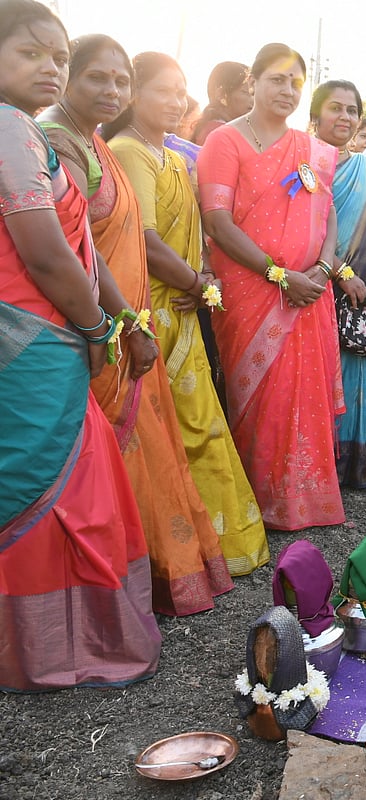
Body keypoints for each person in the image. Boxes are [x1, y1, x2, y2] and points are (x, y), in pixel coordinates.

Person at [41, 37, 234, 615]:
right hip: (90, 329)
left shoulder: (92, 141)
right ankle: (102, 596)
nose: (112, 90)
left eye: (120, 80)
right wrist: (119, 323)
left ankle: (140, 584)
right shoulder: (58, 141)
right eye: (98, 78)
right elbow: (72, 251)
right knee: (104, 465)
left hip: (125, 320)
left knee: (143, 457)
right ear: (68, 76)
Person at [0, 0, 161, 692]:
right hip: (30, 338)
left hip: (56, 333)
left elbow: (81, 245)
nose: (49, 67)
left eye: (57, 56)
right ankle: (41, 651)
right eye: (30, 52)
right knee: (38, 484)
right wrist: (99, 326)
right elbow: (43, 252)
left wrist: (119, 319)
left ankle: (66, 639)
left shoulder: (25, 132)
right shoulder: (8, 130)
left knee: (73, 482)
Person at [106, 51, 269, 576]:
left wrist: (204, 282)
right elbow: (146, 241)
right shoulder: (129, 151)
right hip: (152, 309)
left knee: (198, 427)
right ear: (133, 94)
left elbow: (192, 237)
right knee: (173, 434)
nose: (176, 101)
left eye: (181, 91)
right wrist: (199, 284)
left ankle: (213, 543)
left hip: (183, 304)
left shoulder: (173, 157)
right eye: (163, 90)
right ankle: (178, 554)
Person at [197, 42, 345, 530]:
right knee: (260, 398)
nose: (287, 90)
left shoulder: (311, 151)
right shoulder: (225, 141)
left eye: (295, 82)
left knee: (305, 395)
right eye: (277, 79)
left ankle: (308, 499)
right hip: (252, 291)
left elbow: (329, 215)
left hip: (310, 293)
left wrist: (322, 272)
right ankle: (260, 503)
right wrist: (278, 275)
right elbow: (217, 221)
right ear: (253, 83)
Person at [310, 80, 366, 486]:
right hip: (310, 286)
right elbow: (293, 230)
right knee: (315, 376)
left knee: (358, 370)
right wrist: (339, 272)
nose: (344, 117)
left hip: (361, 293)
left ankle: (359, 463)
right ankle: (316, 467)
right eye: (335, 108)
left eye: (352, 110)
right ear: (314, 116)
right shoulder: (299, 164)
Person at [192, 60, 251, 146]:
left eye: (255, 93)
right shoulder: (218, 133)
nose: (254, 99)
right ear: (222, 94)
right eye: (246, 92)